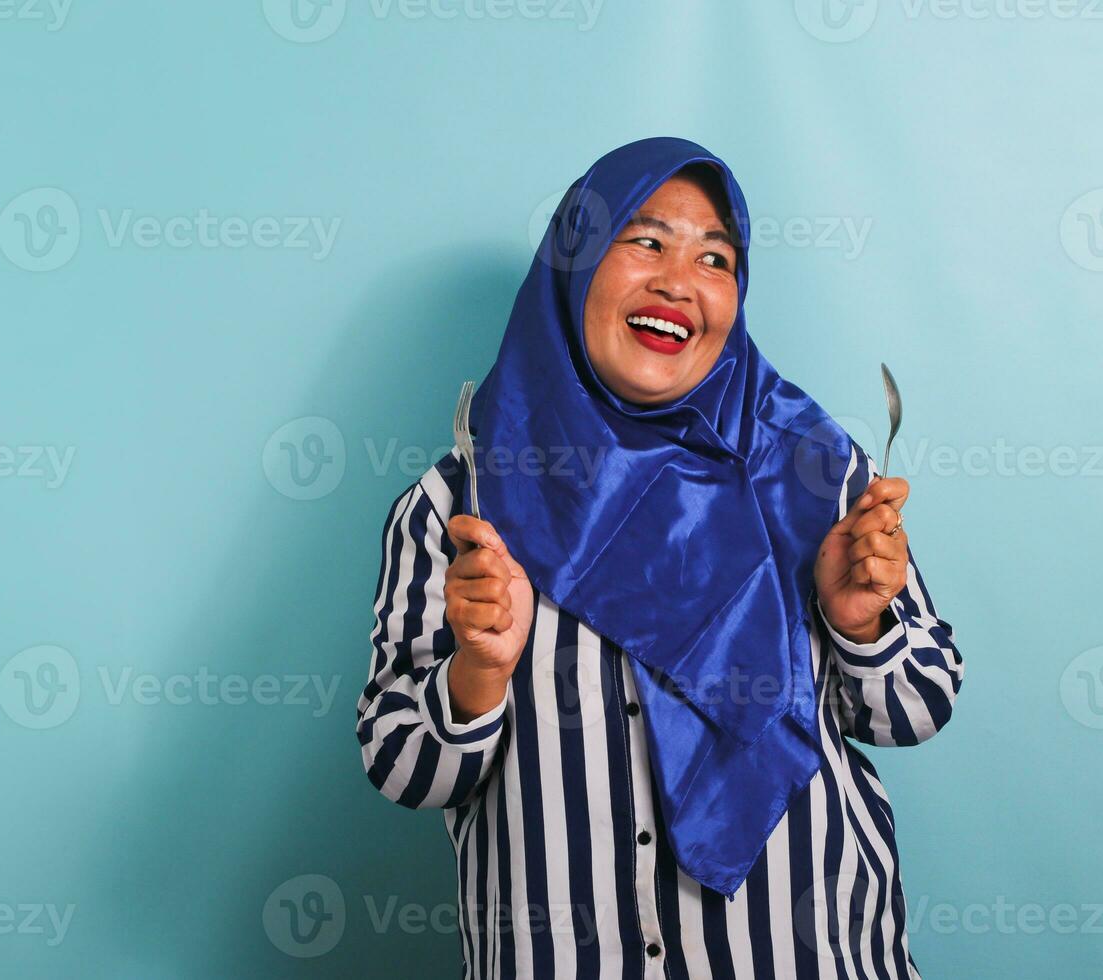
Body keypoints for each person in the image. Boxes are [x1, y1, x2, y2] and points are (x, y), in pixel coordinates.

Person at [356, 137, 964, 979]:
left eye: (714, 256)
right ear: (573, 262)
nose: (678, 281)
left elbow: (917, 707)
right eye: (645, 240)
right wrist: (479, 673)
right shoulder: (460, 508)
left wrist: (860, 624)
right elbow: (401, 766)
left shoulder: (815, 473)